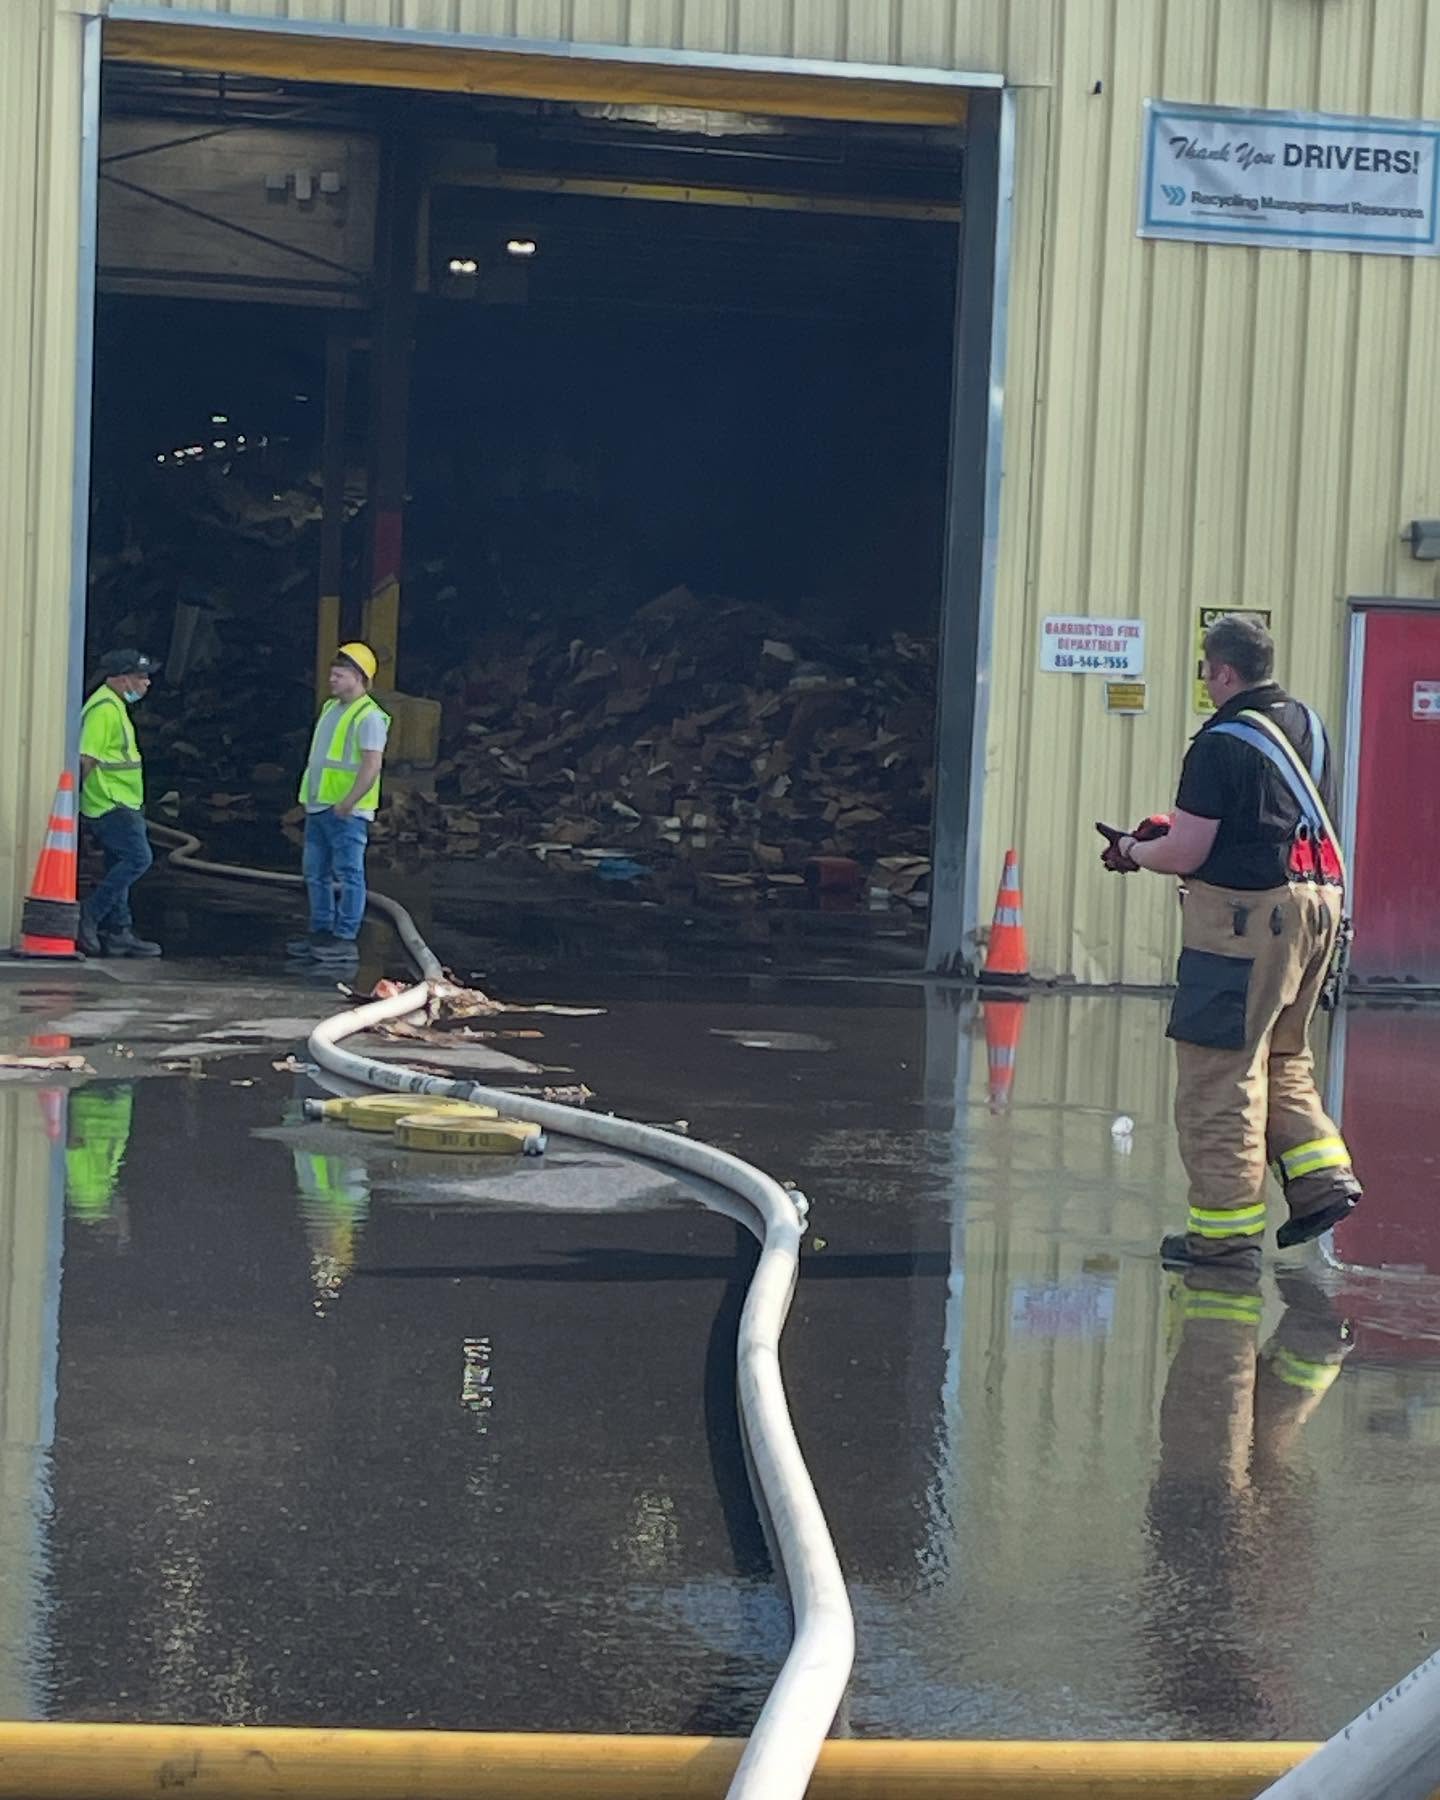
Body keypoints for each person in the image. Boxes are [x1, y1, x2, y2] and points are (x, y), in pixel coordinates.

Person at [1104, 614, 1362, 1272]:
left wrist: (1134, 848)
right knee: (1283, 1056)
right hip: (1318, 906)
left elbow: (1188, 849)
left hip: (1246, 921)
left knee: (1219, 1074)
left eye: (1205, 671)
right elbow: (1268, 819)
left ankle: (1222, 1237)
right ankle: (1321, 1181)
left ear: (1222, 672)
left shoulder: (1219, 744)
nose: (1206, 681)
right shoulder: (1308, 727)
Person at [289, 642, 389, 963]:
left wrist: (349, 801)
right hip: (320, 806)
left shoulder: (370, 717)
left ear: (359, 677)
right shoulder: (331, 708)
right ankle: (320, 933)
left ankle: (344, 938)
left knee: (349, 874)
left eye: (339, 674)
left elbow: (372, 765)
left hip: (347, 811)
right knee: (315, 873)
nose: (331, 679)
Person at [77, 649, 161, 958]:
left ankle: (119, 931)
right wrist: (76, 802)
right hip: (108, 802)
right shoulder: (103, 710)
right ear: (121, 679)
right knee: (138, 858)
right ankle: (91, 913)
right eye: (141, 677)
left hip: (120, 800)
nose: (147, 683)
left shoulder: (114, 705)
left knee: (118, 862)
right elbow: (86, 758)